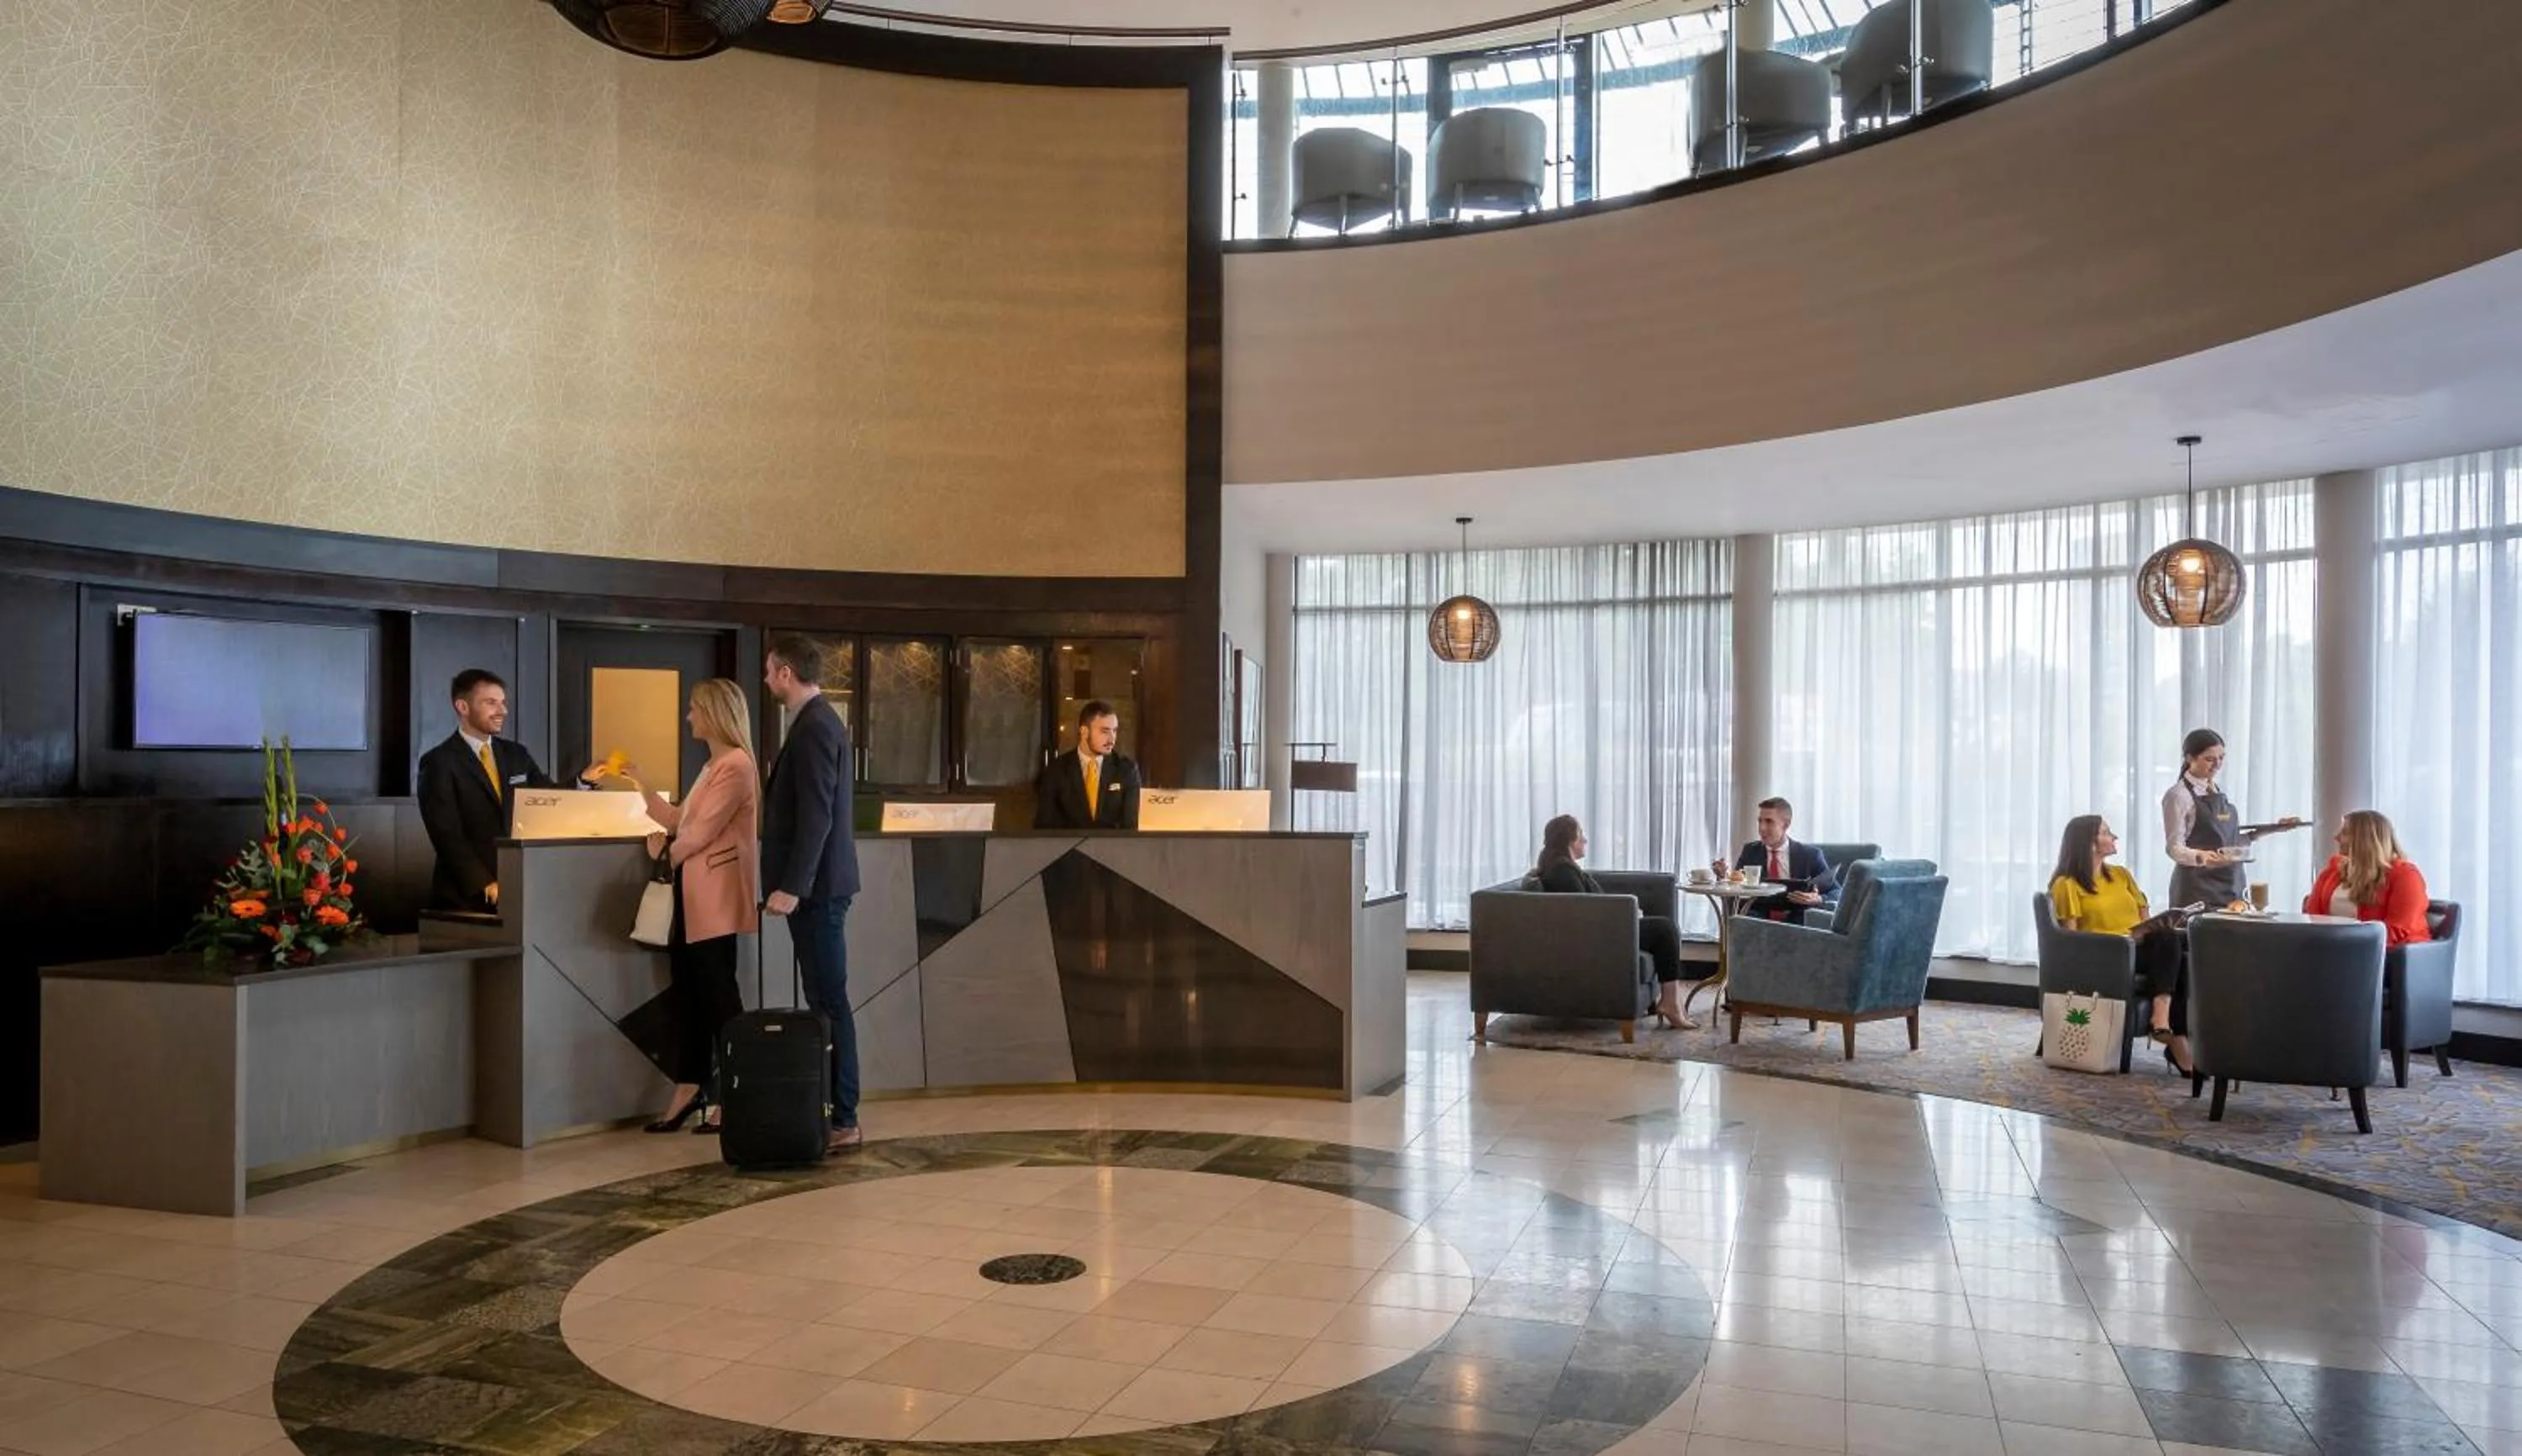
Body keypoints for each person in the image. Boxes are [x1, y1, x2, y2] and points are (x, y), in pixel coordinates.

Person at [626, 679, 760, 1135]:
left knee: (719, 996)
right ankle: (691, 1086)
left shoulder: (737, 765)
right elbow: (683, 820)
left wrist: (664, 854)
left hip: (715, 896)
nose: (689, 718)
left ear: (714, 713)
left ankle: (736, 1093)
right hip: (691, 895)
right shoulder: (713, 765)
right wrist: (642, 786)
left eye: (694, 709)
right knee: (689, 994)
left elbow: (699, 835)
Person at [760, 636, 863, 1154]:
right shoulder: (815, 723)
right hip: (817, 890)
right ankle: (836, 1112)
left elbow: (817, 815)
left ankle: (844, 1117)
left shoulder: (816, 725)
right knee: (825, 1000)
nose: (766, 680)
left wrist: (791, 887)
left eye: (769, 671)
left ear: (784, 672)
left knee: (829, 1001)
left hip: (818, 892)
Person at [416, 668, 607, 911]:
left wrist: (582, 779)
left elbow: (548, 796)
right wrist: (484, 882)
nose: (502, 711)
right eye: (491, 703)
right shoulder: (438, 762)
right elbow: (446, 835)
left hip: (521, 886)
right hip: (466, 897)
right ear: (462, 707)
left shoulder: (516, 754)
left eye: (503, 703)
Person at [2051, 814, 2192, 1074]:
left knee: (2178, 951)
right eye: (2107, 832)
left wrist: (2151, 928)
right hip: (2105, 956)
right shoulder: (2066, 885)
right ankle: (2174, 1040)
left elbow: (2145, 919)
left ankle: (2167, 1026)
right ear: (2089, 843)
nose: (2114, 837)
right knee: (2174, 952)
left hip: (2140, 949)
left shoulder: (2121, 875)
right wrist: (2121, 941)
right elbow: (2071, 941)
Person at [1536, 815, 1695, 1031]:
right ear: (1569, 841)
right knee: (1664, 929)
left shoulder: (1563, 866)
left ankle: (1670, 1001)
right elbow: (1583, 912)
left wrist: (1627, 913)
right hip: (1599, 935)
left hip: (1605, 927)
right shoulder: (1562, 871)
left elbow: (1589, 906)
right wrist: (1624, 916)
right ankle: (1670, 1003)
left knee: (1664, 928)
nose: (1585, 840)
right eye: (1581, 835)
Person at [2304, 810, 2433, 944]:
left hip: (2388, 956)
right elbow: (2313, 917)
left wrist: (2347, 946)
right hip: (2334, 951)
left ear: (2366, 839)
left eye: (2345, 833)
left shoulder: (2405, 875)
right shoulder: (2332, 870)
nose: (2336, 837)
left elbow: (2397, 930)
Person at [1713, 798, 1840, 922]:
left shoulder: (1810, 855)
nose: (1762, 828)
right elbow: (1736, 888)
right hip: (1759, 917)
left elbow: (1836, 891)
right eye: (1760, 821)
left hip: (1797, 918)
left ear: (1786, 825)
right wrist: (1723, 876)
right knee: (1745, 916)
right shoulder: (1750, 851)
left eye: (1769, 822)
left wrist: (1818, 899)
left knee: (1804, 916)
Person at [1034, 699, 1142, 830]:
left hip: (1113, 848)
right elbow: (1045, 825)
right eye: (1105, 731)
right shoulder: (1056, 770)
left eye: (1114, 731)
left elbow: (1131, 825)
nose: (1112, 739)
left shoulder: (1126, 770)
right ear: (1084, 732)